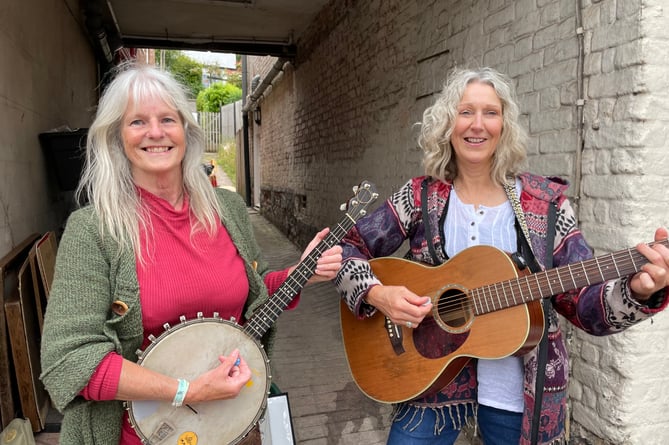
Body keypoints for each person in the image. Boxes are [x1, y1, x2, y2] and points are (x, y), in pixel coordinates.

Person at [334, 66, 669, 445]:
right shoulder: (419, 197)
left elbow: (584, 304)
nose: (477, 125)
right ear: (447, 123)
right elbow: (345, 248)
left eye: (490, 113)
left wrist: (639, 293)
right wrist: (379, 295)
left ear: (504, 125)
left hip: (520, 394)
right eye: (466, 112)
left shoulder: (546, 205)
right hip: (428, 380)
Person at [39, 63, 342, 445]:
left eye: (168, 118)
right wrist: (188, 391)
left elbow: (253, 291)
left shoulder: (227, 209)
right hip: (145, 435)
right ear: (117, 136)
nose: (155, 132)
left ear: (185, 129)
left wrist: (301, 272)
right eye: (137, 122)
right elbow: (69, 362)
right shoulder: (94, 229)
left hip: (235, 422)